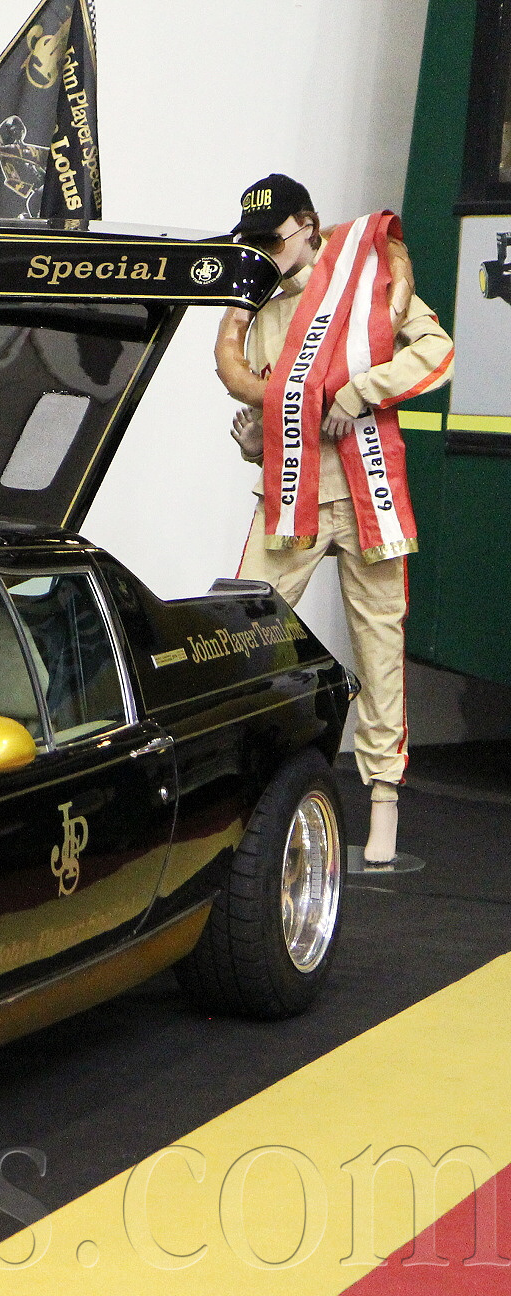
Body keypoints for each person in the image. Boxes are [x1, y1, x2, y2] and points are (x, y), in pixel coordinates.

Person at [213, 173, 453, 866]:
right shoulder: (261, 311)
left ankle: (384, 800)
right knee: (245, 633)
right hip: (293, 497)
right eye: (254, 242)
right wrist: (252, 441)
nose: (264, 253)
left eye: (273, 239)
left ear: (308, 225)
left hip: (366, 492)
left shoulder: (370, 276)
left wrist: (361, 389)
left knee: (379, 646)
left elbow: (435, 352)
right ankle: (240, 788)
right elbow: (269, 407)